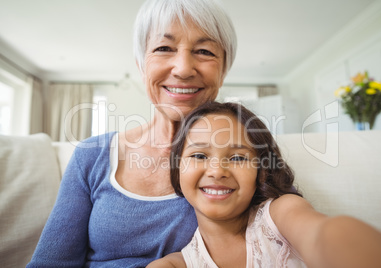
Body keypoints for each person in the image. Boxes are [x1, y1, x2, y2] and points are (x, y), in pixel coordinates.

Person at [27, 0, 237, 267]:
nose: (183, 68)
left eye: (205, 51)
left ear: (223, 70)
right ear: (141, 65)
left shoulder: (247, 155)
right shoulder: (93, 155)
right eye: (164, 48)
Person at [147, 101, 381, 268]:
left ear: (261, 171)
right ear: (177, 168)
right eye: (199, 155)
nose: (217, 171)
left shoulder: (280, 215)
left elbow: (323, 234)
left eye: (237, 157)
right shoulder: (175, 264)